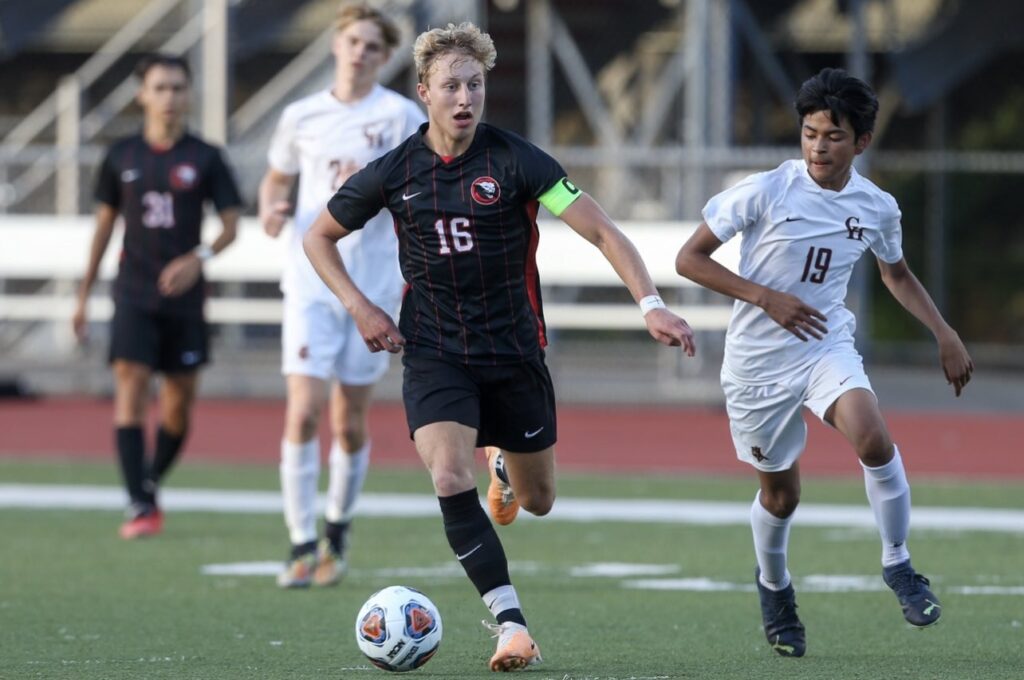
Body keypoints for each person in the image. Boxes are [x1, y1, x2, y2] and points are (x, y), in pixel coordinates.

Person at [303, 21, 695, 672]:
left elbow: (601, 230)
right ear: (424, 91)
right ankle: (511, 625)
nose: (465, 97)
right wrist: (362, 307)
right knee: (449, 474)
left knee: (539, 502)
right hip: (433, 351)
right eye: (451, 85)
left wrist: (651, 304)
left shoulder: (518, 161)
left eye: (475, 85)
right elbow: (318, 237)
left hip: (513, 353)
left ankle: (509, 469)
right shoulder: (395, 171)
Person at [675, 67, 974, 657]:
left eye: (833, 136)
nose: (818, 146)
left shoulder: (876, 206)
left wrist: (944, 331)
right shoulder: (766, 190)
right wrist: (765, 297)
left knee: (872, 438)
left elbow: (895, 273)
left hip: (824, 345)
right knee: (782, 498)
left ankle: (898, 564)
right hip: (756, 366)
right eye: (810, 133)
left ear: (861, 142)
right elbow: (690, 259)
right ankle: (775, 587)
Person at [257, 3, 426, 589]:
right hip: (309, 284)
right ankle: (301, 542)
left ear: (384, 57)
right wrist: (271, 210)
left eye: (373, 47)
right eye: (353, 41)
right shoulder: (301, 115)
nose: (360, 52)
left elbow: (420, 181)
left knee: (348, 422)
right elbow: (277, 178)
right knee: (302, 411)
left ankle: (337, 531)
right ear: (337, 45)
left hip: (373, 290)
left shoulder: (401, 116)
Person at [73, 53, 242, 540]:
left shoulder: (206, 157)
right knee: (130, 383)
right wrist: (83, 296)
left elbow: (231, 227)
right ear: (142, 94)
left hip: (185, 300)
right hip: (133, 292)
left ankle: (148, 480)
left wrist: (199, 259)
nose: (169, 97)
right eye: (160, 87)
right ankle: (139, 502)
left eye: (177, 88)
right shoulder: (121, 156)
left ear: (188, 95)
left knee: (177, 405)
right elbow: (104, 228)